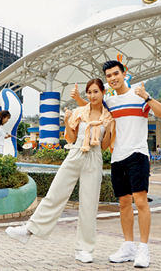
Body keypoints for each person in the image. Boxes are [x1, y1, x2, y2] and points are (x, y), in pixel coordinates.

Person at [6, 79, 115, 264]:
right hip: (76, 153)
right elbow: (71, 139)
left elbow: (104, 146)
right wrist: (66, 122)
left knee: (89, 204)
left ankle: (84, 248)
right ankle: (28, 230)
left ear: (103, 92)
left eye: (95, 92)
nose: (92, 96)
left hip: (94, 156)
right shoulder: (80, 112)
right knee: (55, 194)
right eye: (89, 92)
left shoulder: (109, 118)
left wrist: (111, 131)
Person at [71, 60, 161, 268]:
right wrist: (79, 99)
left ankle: (143, 249)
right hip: (117, 158)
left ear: (124, 73)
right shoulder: (110, 102)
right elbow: (91, 110)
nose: (113, 78)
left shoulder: (138, 95)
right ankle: (128, 246)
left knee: (140, 201)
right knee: (124, 203)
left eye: (116, 74)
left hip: (137, 154)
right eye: (109, 76)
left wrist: (147, 97)